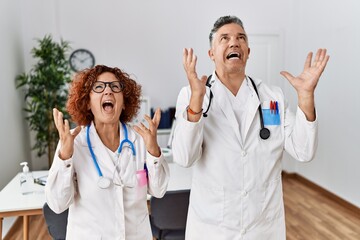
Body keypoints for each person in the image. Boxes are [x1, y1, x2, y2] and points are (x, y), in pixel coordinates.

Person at [172, 15, 329, 239]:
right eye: (224, 38)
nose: (234, 42)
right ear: (211, 53)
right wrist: (196, 102)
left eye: (241, 38)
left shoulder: (271, 97)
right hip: (213, 227)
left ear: (248, 51)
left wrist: (306, 97)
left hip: (263, 226)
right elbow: (184, 158)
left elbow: (303, 151)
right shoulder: (192, 94)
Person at [45, 65, 170, 239]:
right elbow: (57, 204)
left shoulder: (140, 139)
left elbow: (159, 190)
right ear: (87, 102)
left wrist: (153, 150)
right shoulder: (74, 142)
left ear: (124, 101)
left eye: (115, 86)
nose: (108, 91)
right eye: (98, 87)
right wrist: (65, 157)